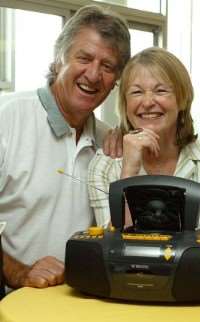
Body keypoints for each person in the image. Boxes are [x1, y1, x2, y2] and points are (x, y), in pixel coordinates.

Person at [0, 5, 130, 290]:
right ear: (58, 59)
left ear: (116, 81)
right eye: (84, 58)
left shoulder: (110, 143)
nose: (94, 75)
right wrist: (19, 273)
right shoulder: (6, 118)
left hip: (77, 305)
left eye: (107, 66)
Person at [88, 47, 200, 234]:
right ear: (125, 104)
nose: (147, 102)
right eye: (137, 92)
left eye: (161, 91)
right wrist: (128, 172)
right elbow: (112, 248)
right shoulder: (104, 165)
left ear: (182, 99)